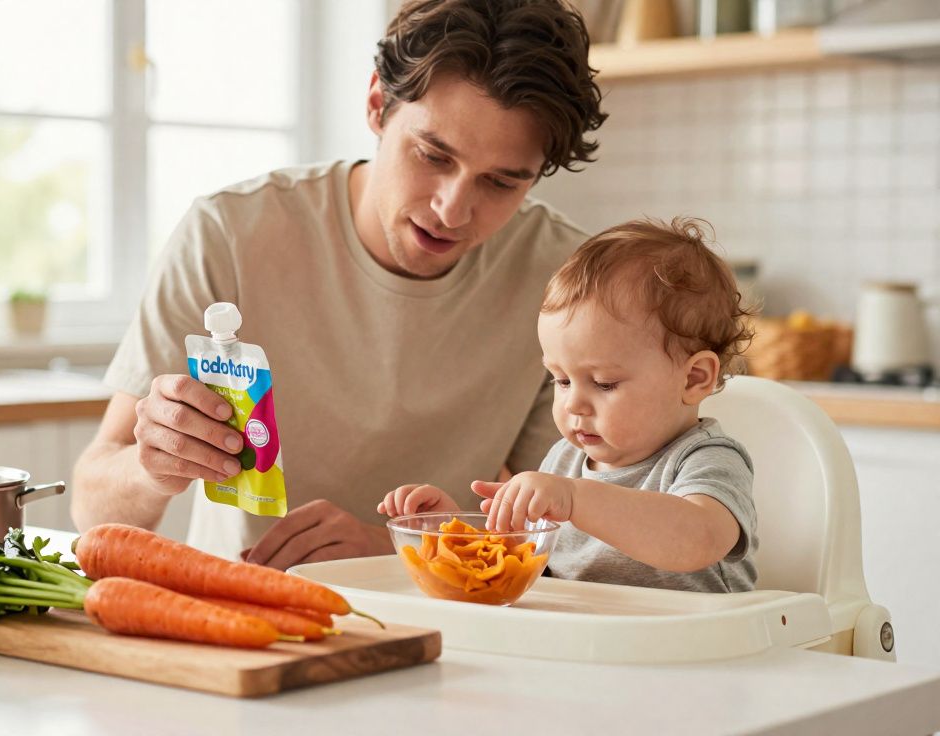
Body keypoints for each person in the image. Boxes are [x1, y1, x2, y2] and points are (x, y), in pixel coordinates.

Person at [71, 0, 607, 568]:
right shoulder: (228, 234)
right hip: (240, 605)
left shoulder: (565, 278)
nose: (453, 210)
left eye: (500, 183)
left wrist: (394, 548)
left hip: (446, 610)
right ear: (377, 104)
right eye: (432, 155)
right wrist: (152, 465)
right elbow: (93, 509)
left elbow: (557, 534)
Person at [378, 218, 759, 593]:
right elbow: (520, 560)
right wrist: (450, 535)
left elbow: (697, 539)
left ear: (694, 378)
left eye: (604, 383)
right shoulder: (564, 460)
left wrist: (576, 499)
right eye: (560, 379)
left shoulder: (706, 458)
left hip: (695, 648)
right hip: (581, 642)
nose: (574, 403)